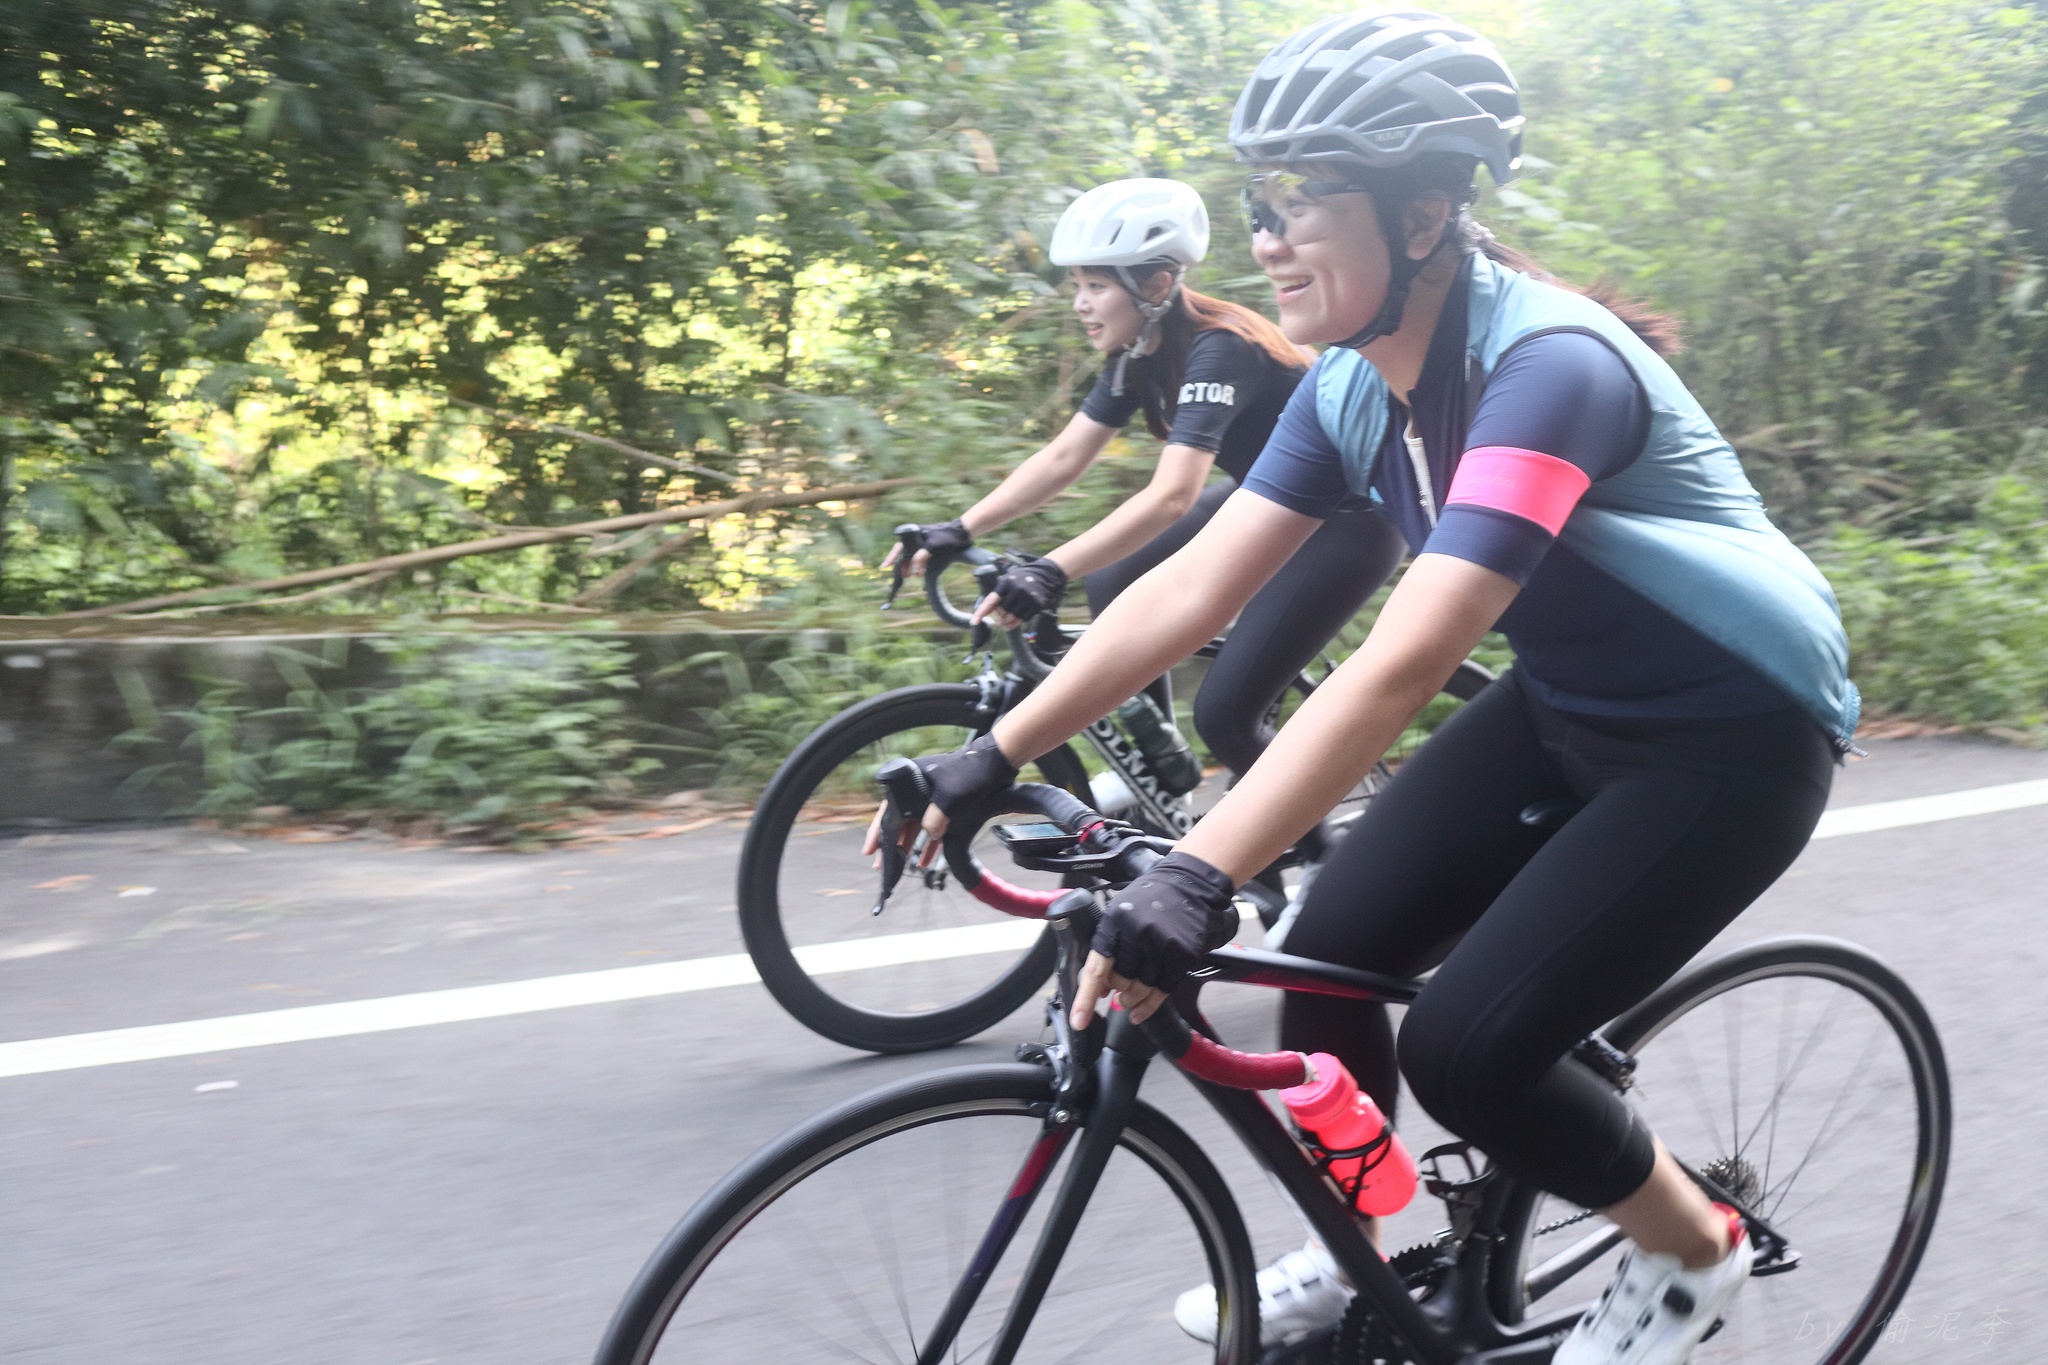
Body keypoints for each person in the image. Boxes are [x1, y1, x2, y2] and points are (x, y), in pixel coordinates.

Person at [867, 11, 1859, 1365]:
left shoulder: (1547, 369)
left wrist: (1198, 871)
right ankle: (1364, 1252)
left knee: (1467, 1051)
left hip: (1728, 739)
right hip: (1568, 702)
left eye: (1302, 202)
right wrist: (991, 756)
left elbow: (1405, 656)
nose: (1267, 238)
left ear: (1424, 217)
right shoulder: (1347, 386)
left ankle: (1692, 1249)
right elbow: (1188, 590)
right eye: (1258, 205)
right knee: (1328, 958)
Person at [886, 177, 1404, 815]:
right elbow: (1064, 457)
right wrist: (962, 528)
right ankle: (1162, 778)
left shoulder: (1220, 349)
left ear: (1157, 285)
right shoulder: (1138, 354)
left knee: (1226, 717)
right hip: (1270, 498)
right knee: (1113, 577)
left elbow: (1171, 497)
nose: (1081, 304)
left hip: (1348, 524)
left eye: (1097, 287)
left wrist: (1050, 569)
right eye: (1077, 286)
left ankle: (1315, 849)